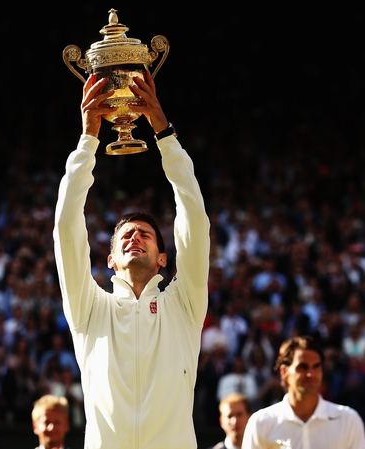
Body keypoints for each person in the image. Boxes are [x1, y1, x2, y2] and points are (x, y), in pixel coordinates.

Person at [53, 71, 209, 448]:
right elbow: (66, 227)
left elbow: (195, 219)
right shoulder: (89, 308)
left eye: (145, 234)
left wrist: (164, 133)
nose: (134, 237)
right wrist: (88, 139)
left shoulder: (184, 304)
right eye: (125, 236)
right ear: (110, 259)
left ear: (162, 259)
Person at [242, 336, 365, 449]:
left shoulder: (348, 420)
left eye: (316, 366)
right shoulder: (261, 422)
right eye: (302, 367)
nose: (311, 374)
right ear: (284, 372)